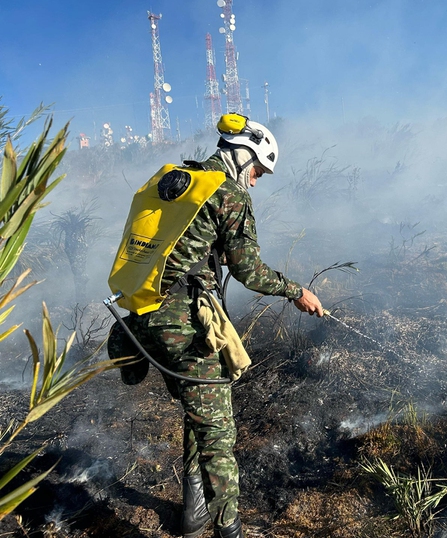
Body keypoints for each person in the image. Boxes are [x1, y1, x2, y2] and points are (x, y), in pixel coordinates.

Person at [107, 114, 323, 538]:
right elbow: (249, 271)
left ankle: (193, 515)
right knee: (219, 435)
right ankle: (230, 530)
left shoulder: (174, 181)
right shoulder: (228, 193)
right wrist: (296, 291)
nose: (257, 181)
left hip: (141, 318)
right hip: (186, 325)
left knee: (195, 408)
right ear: (244, 157)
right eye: (258, 171)